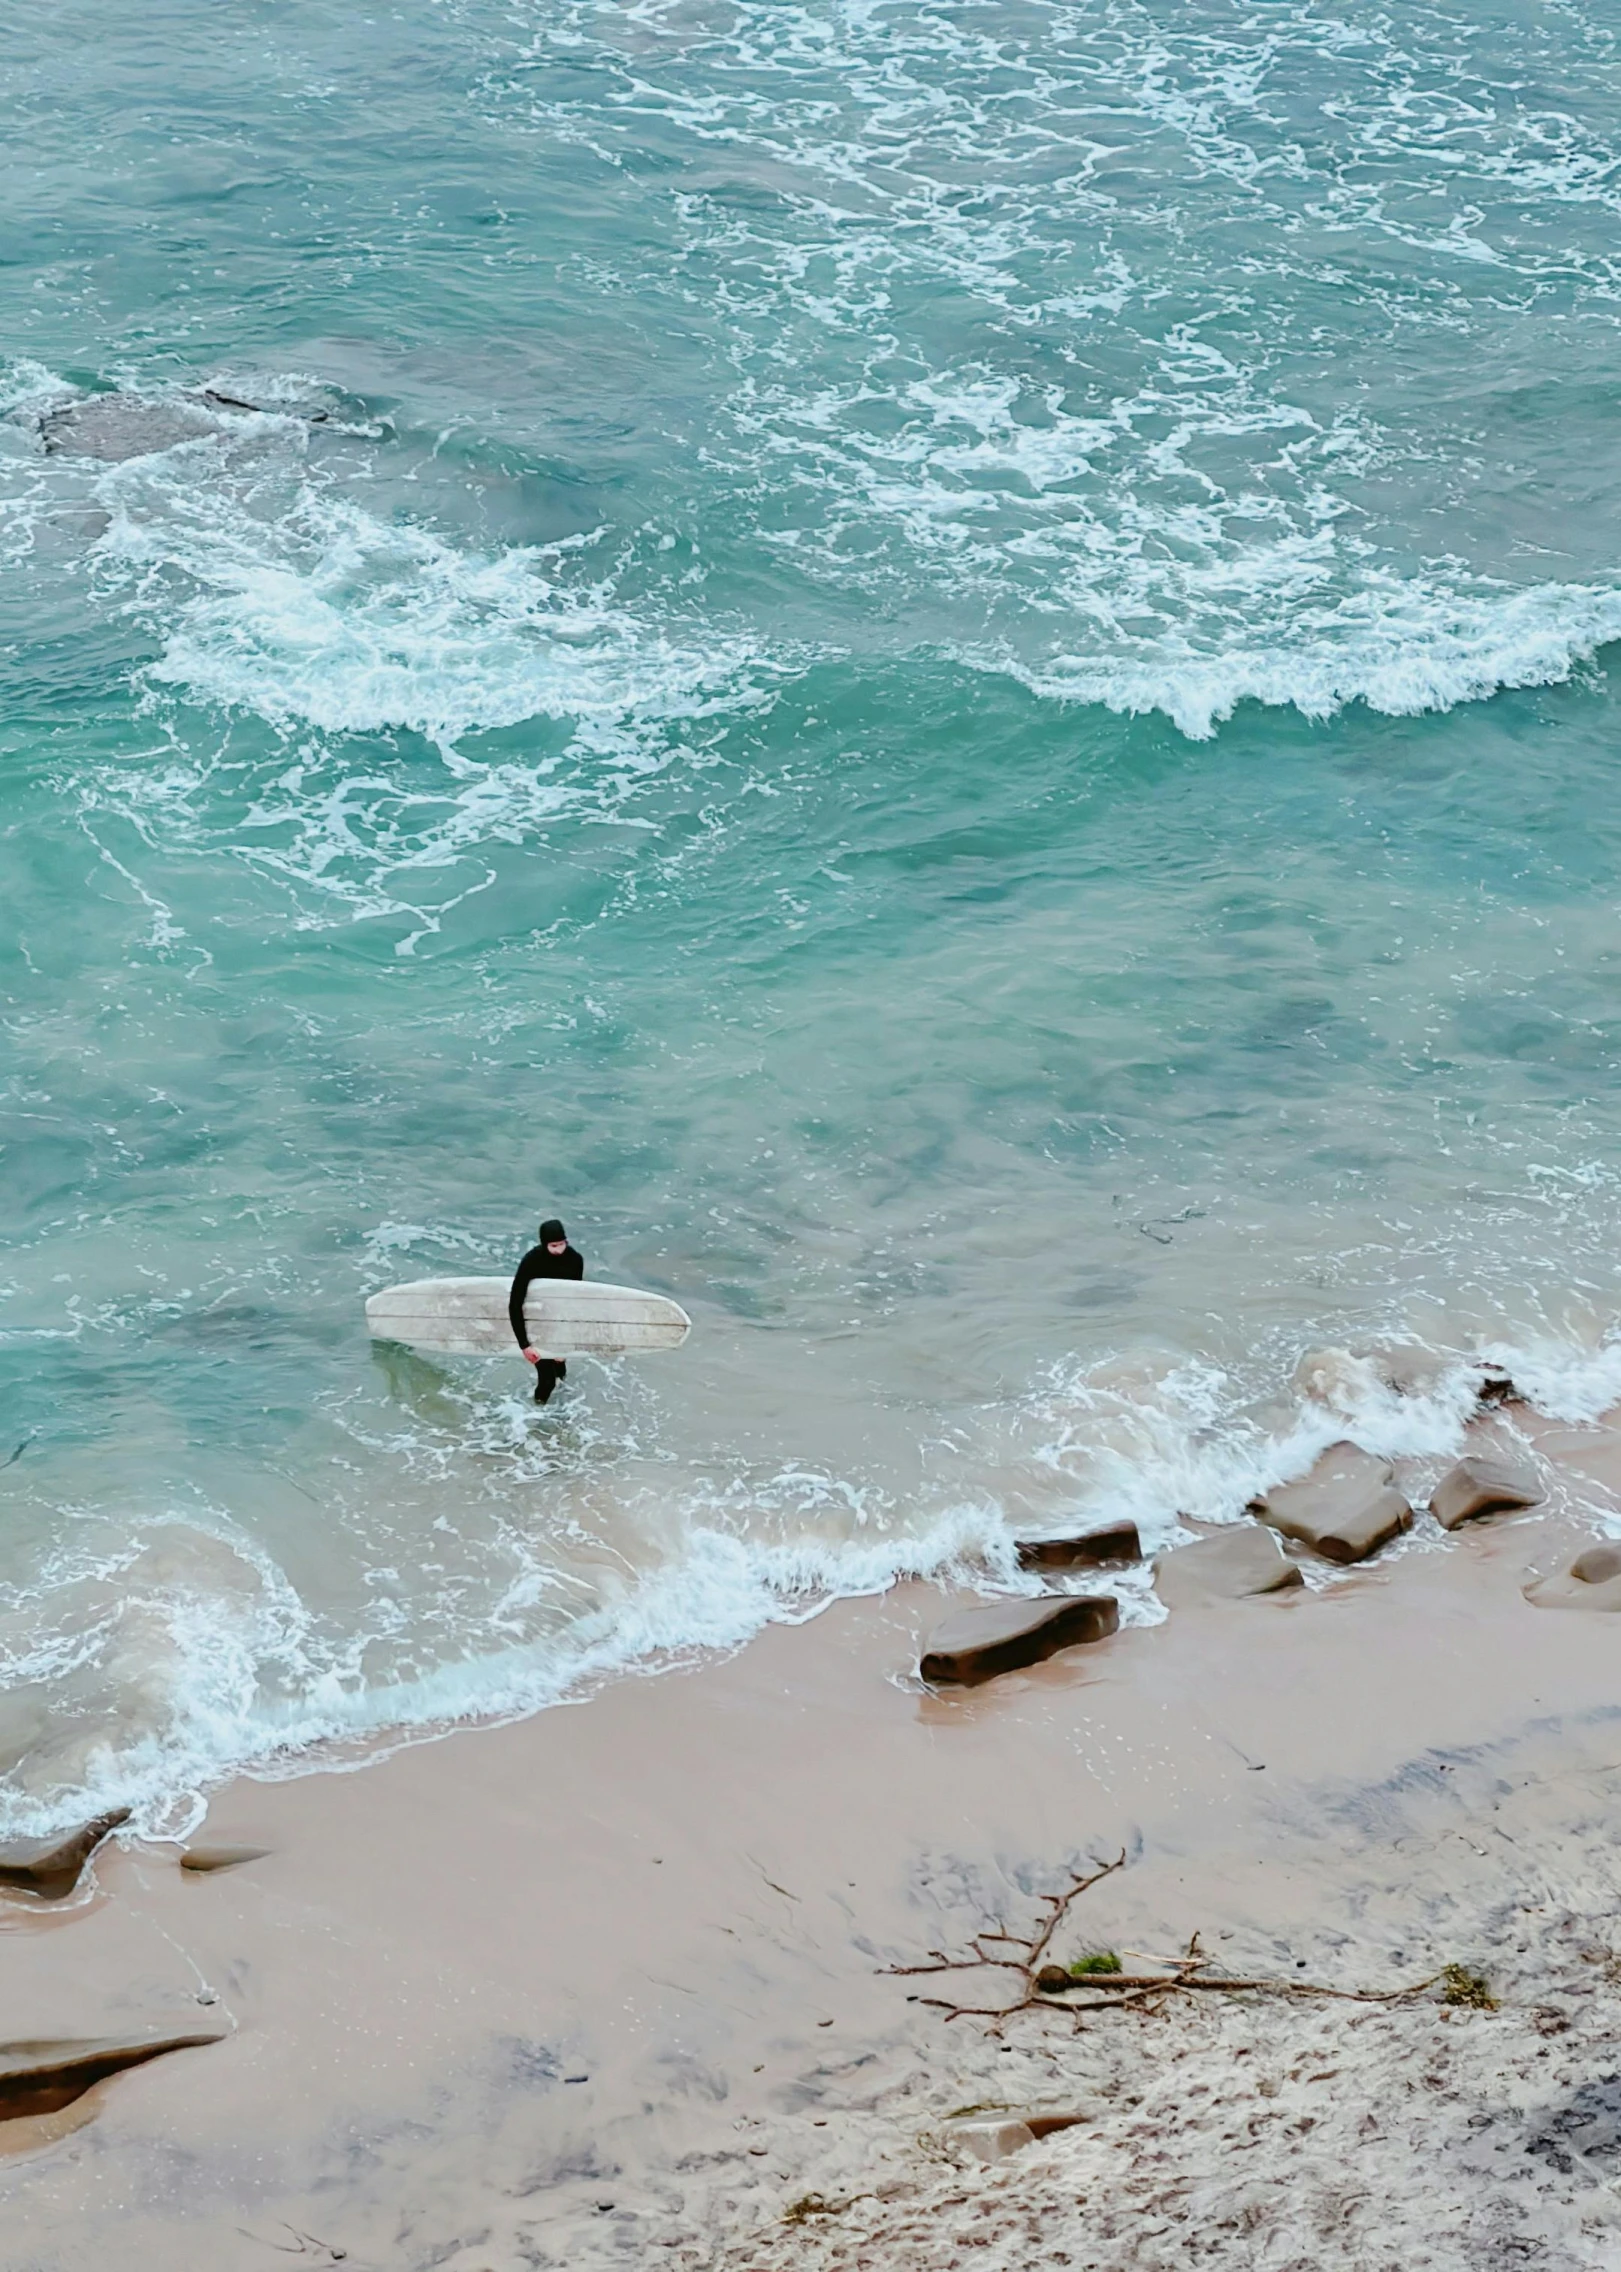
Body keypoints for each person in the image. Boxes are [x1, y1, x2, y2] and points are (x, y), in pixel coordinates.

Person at [508, 1217, 585, 1404]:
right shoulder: (531, 1261)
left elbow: (574, 1301)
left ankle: (565, 1407)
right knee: (547, 1379)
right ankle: (537, 1415)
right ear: (544, 1245)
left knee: (560, 1366)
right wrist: (524, 1345)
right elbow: (515, 1303)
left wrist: (567, 1341)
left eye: (561, 1244)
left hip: (558, 1321)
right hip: (535, 1323)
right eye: (553, 1246)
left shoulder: (575, 1260)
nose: (558, 1250)